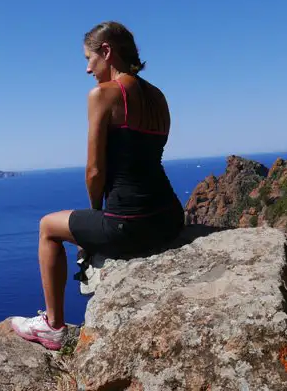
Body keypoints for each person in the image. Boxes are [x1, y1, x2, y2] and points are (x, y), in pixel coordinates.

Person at [10, 21, 185, 350]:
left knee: (47, 226)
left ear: (107, 51)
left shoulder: (104, 95)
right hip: (170, 218)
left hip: (130, 226)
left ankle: (52, 325)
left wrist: (94, 219)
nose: (88, 69)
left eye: (89, 58)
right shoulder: (158, 96)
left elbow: (94, 170)